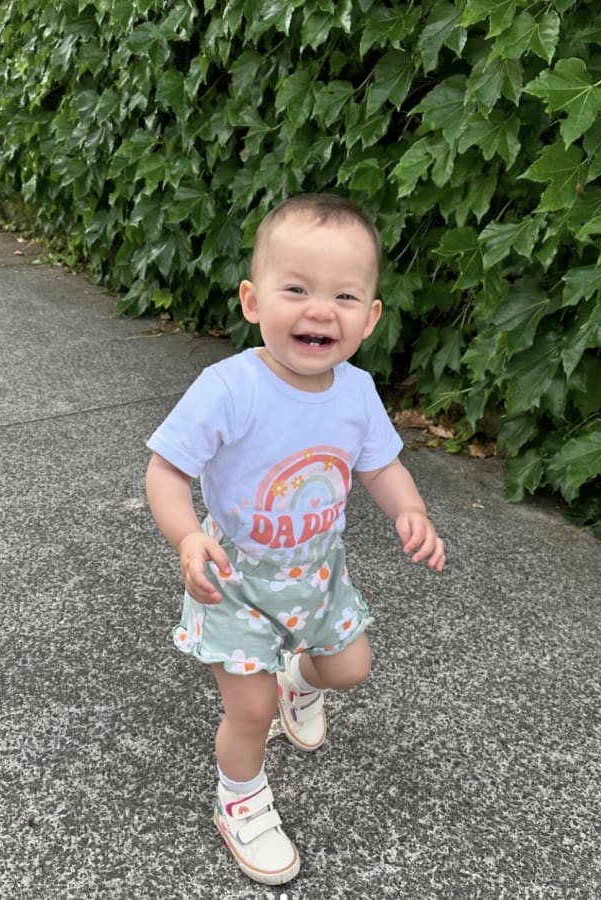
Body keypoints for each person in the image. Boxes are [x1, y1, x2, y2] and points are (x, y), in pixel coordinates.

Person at [144, 193, 445, 886]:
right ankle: (240, 800)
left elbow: (381, 463)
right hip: (235, 579)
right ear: (253, 301)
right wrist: (188, 538)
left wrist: (411, 511)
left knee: (349, 668)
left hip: (316, 575)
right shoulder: (228, 388)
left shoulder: (358, 391)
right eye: (296, 289)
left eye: (344, 295)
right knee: (245, 711)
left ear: (369, 317)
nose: (319, 310)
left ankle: (297, 685)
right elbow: (165, 472)